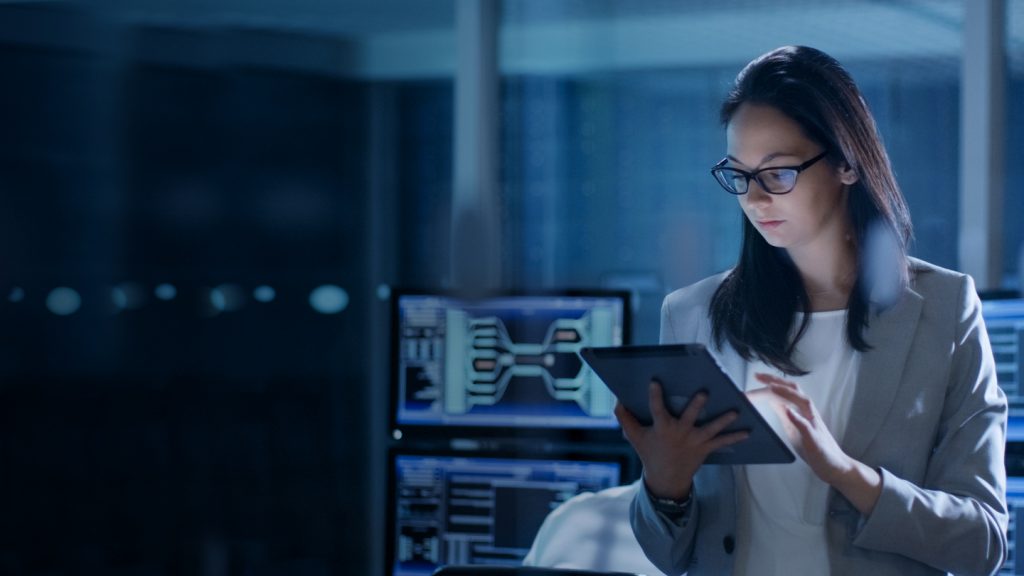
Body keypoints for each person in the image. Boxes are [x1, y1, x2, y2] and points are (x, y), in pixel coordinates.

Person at [615, 45, 1008, 576]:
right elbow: (668, 556)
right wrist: (665, 485)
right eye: (739, 175)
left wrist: (846, 473)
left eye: (777, 174)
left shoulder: (943, 309)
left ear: (847, 163)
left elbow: (982, 543)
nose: (754, 200)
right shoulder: (692, 314)